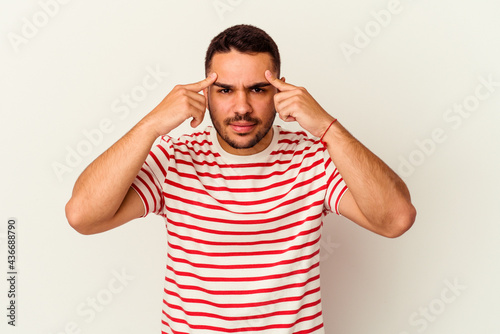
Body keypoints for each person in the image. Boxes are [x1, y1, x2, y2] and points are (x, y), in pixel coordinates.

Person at [66, 24, 416, 333]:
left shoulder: (313, 158)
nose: (242, 107)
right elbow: (83, 216)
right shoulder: (175, 157)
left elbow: (396, 219)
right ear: (205, 94)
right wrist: (150, 125)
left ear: (279, 91)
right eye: (225, 90)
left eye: (258, 89)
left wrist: (327, 126)